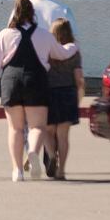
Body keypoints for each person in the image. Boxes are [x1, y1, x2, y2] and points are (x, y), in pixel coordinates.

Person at [0, 0, 80, 182]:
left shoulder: (5, 34)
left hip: (11, 81)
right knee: (37, 126)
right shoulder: (44, 35)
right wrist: (72, 46)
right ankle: (33, 152)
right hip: (36, 81)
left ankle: (17, 171)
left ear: (14, 14)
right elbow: (60, 54)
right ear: (32, 13)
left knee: (15, 129)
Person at [43, 17, 84, 179]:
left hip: (49, 93)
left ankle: (52, 156)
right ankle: (62, 170)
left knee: (48, 130)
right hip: (68, 93)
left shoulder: (47, 51)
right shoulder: (75, 52)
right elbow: (79, 79)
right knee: (63, 135)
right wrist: (78, 97)